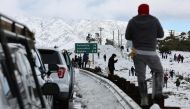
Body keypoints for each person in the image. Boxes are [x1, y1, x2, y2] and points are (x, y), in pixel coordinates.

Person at [125, 4, 164, 106]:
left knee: (141, 76)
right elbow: (161, 34)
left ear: (138, 11)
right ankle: (158, 94)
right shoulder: (154, 20)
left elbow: (127, 36)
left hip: (137, 53)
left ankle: (144, 99)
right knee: (158, 71)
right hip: (151, 53)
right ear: (148, 11)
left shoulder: (132, 21)